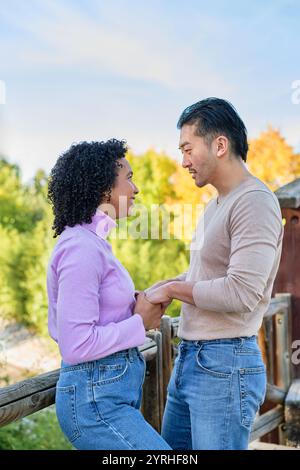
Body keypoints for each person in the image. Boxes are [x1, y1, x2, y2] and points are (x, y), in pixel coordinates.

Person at [146, 98, 283, 450]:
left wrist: (176, 290)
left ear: (220, 145)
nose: (183, 161)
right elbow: (206, 274)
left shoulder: (255, 201)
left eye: (187, 148)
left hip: (225, 365)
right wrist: (166, 285)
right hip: (192, 358)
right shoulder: (216, 204)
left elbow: (241, 292)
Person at [47, 139, 171, 450]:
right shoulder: (81, 247)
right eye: (128, 178)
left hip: (106, 396)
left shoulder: (94, 243)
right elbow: (75, 345)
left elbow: (100, 316)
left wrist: (137, 306)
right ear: (105, 190)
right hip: (93, 405)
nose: (136, 189)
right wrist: (139, 323)